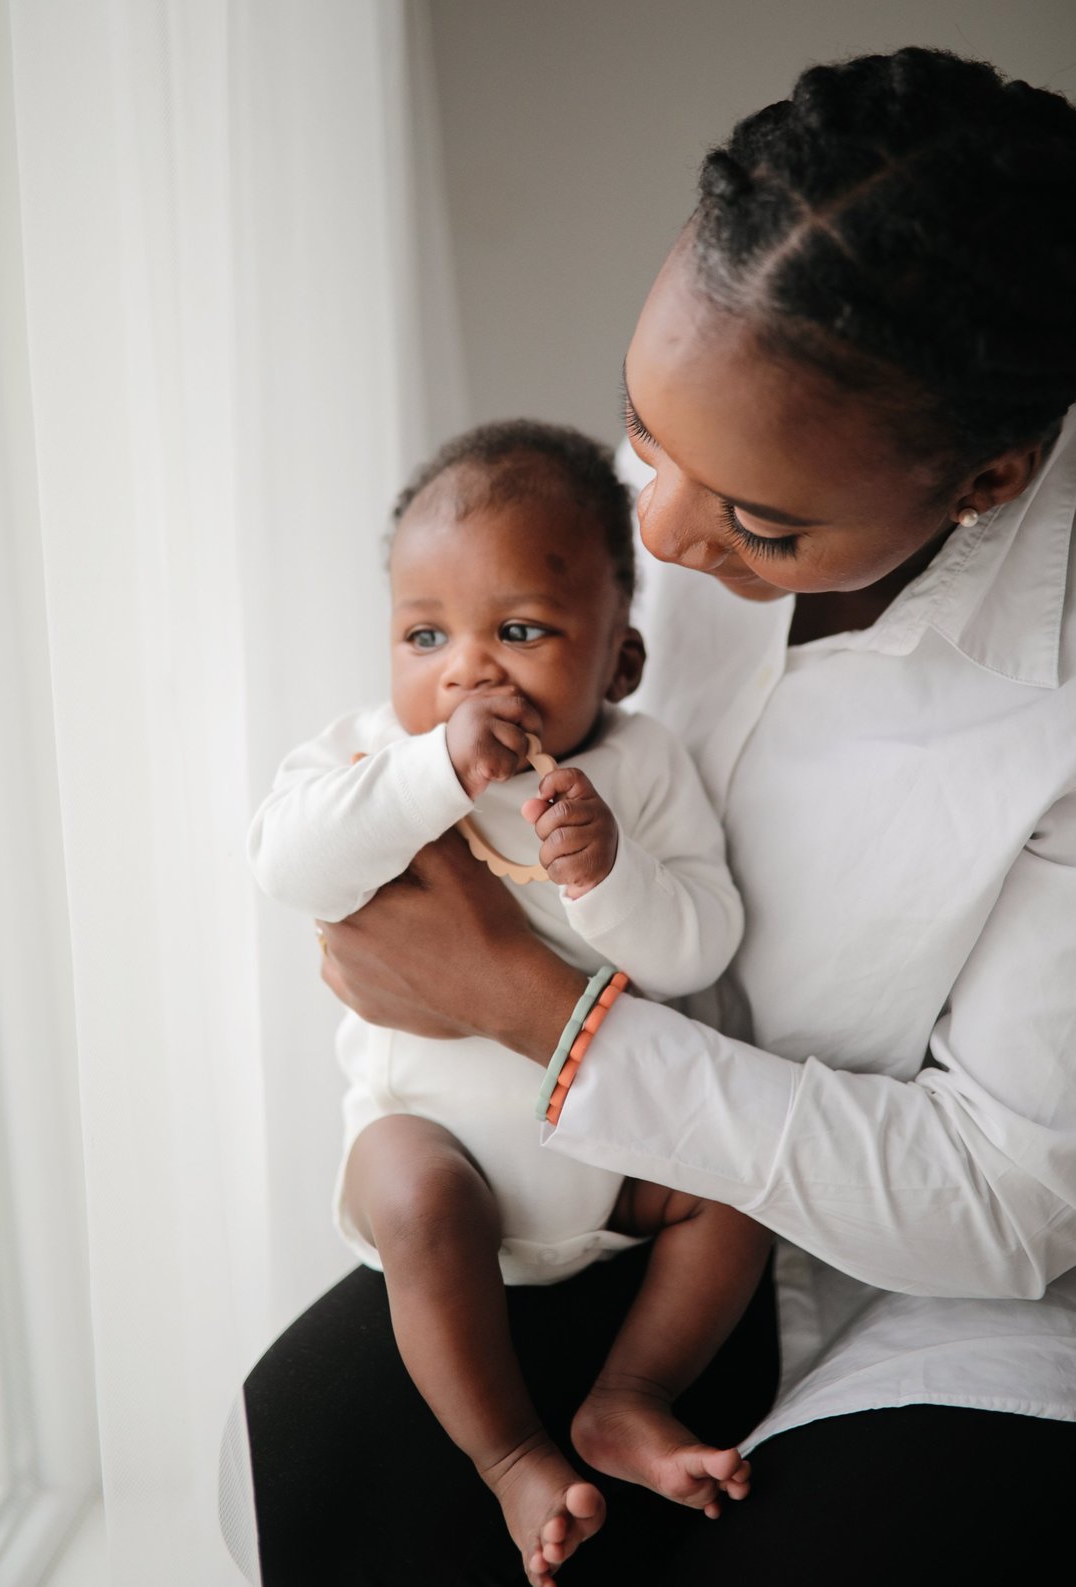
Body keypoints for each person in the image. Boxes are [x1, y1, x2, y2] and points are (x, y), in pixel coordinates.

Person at [232, 47, 1076, 1584]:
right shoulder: (624, 538)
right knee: (324, 1443)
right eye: (643, 433)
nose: (649, 534)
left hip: (969, 1282)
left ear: (986, 479)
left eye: (760, 524)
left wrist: (531, 1007)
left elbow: (1007, 1201)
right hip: (615, 1198)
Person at [247, 420, 773, 1584]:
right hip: (449, 1158)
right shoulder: (365, 760)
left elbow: (699, 945)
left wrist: (607, 876)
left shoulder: (640, 770)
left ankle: (628, 1399)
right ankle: (512, 1457)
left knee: (745, 1191)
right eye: (425, 633)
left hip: (618, 1156)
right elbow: (288, 866)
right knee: (409, 1189)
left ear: (619, 664)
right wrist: (433, 772)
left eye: (521, 631)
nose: (468, 670)